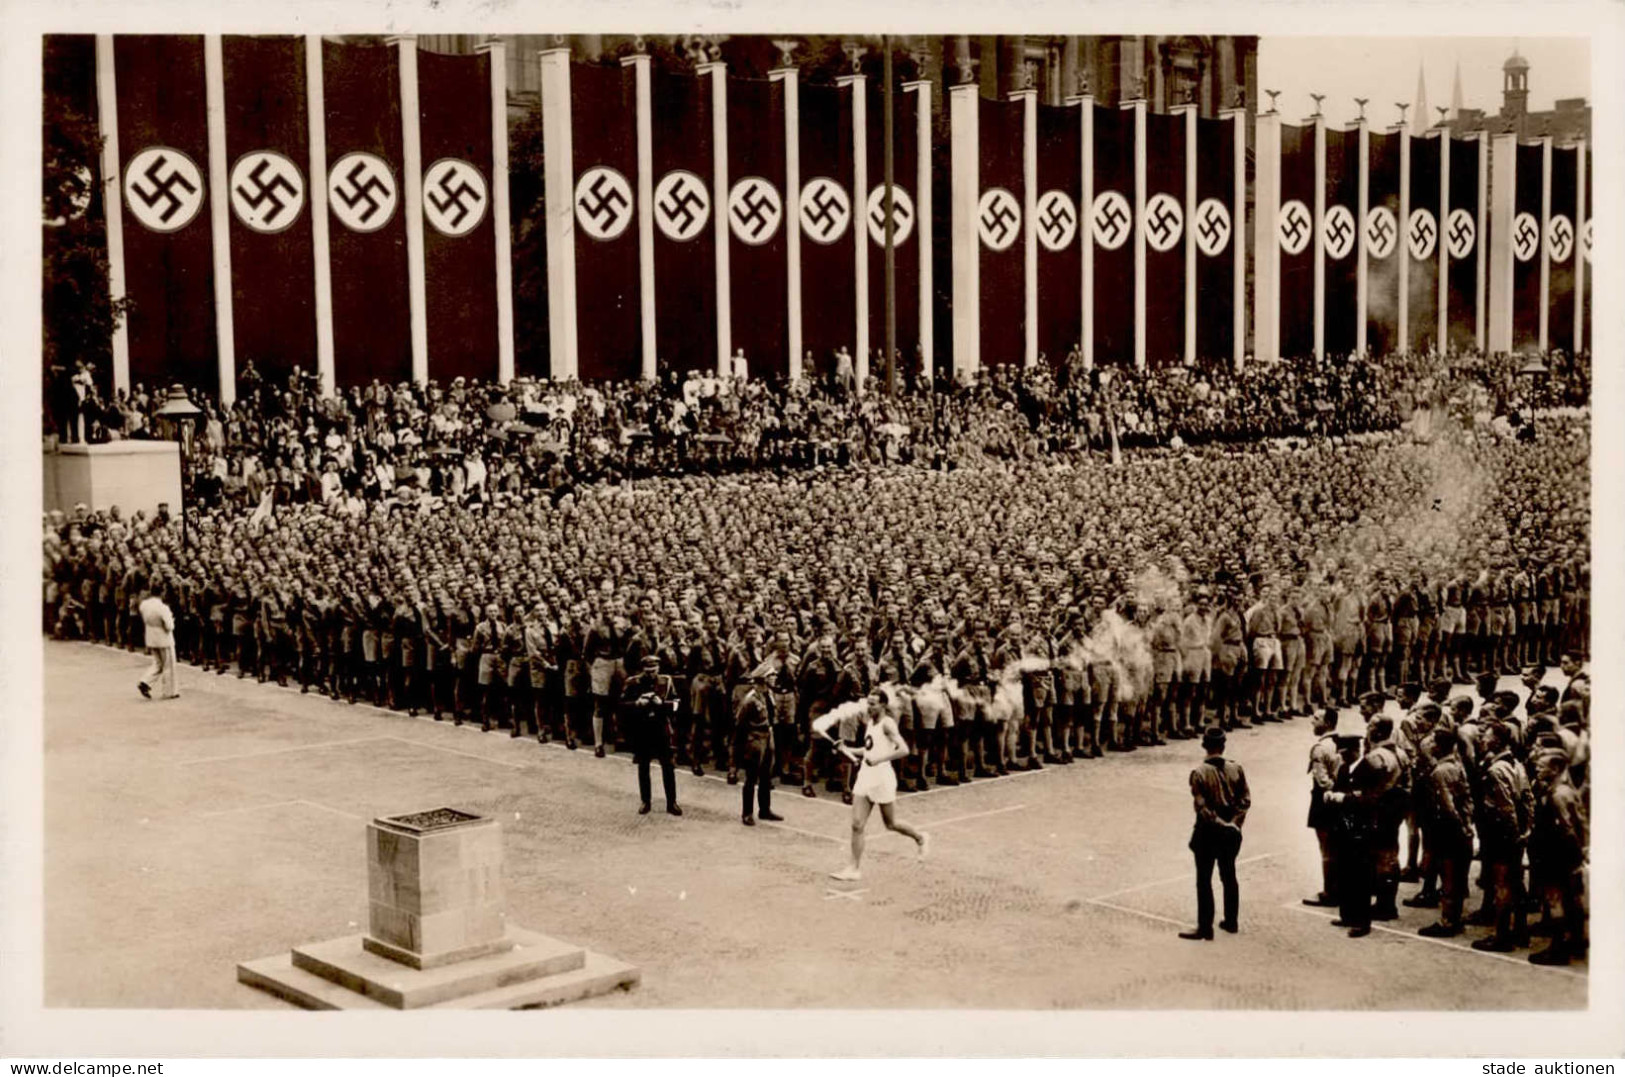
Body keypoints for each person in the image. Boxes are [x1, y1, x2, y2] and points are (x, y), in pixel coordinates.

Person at [827, 694, 929, 881]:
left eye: (873, 704)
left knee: (891, 824)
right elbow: (868, 749)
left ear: (882, 705)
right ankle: (854, 868)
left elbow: (903, 749)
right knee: (857, 824)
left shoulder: (888, 724)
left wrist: (879, 759)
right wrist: (846, 749)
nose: (869, 707)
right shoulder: (870, 723)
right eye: (868, 704)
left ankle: (920, 837)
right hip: (866, 776)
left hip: (882, 777)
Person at [1180, 726, 1250, 940]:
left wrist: (1220, 823)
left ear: (1204, 745)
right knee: (1229, 875)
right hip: (1231, 831)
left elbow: (1203, 809)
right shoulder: (1236, 768)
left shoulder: (1199, 773)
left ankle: (1205, 927)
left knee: (1204, 879)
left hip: (1208, 833)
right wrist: (1234, 824)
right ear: (1224, 745)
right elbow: (1245, 800)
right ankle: (1231, 921)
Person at [1417, 728, 1475, 938]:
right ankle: (1455, 918)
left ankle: (1448, 920)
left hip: (1447, 829)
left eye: (1432, 741)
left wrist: (1460, 824)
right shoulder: (1457, 766)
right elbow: (1467, 798)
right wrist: (1468, 822)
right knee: (1458, 877)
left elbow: (1447, 804)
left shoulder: (1440, 771)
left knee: (1448, 876)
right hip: (1460, 827)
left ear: (1439, 746)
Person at [624, 653, 682, 817]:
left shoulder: (667, 682)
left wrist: (662, 704)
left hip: (661, 728)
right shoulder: (633, 683)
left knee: (668, 767)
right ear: (643, 669)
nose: (651, 673)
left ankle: (672, 802)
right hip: (642, 729)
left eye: (654, 670)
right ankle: (645, 801)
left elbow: (677, 705)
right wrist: (637, 703)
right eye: (648, 670)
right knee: (643, 767)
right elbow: (622, 705)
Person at [731, 674, 782, 827]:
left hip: (768, 736)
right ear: (764, 679)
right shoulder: (750, 699)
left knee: (766, 776)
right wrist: (738, 753)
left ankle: (764, 810)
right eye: (771, 675)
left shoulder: (768, 694)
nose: (774, 677)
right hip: (755, 738)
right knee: (751, 777)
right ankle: (747, 813)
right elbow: (740, 725)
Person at [1303, 707, 1342, 908]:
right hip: (1341, 797)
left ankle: (1330, 891)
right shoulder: (1341, 743)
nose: (1313, 721)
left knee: (1326, 849)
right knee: (1336, 846)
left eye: (1317, 719)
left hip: (1324, 800)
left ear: (1327, 723)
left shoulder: (1320, 748)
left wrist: (1330, 791)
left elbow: (1322, 780)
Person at [137, 580, 179, 701]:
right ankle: (169, 691)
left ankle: (145, 681)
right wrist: (172, 621)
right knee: (168, 665)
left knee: (157, 663)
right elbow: (169, 626)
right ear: (162, 592)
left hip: (150, 636)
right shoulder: (163, 607)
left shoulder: (144, 604)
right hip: (164, 638)